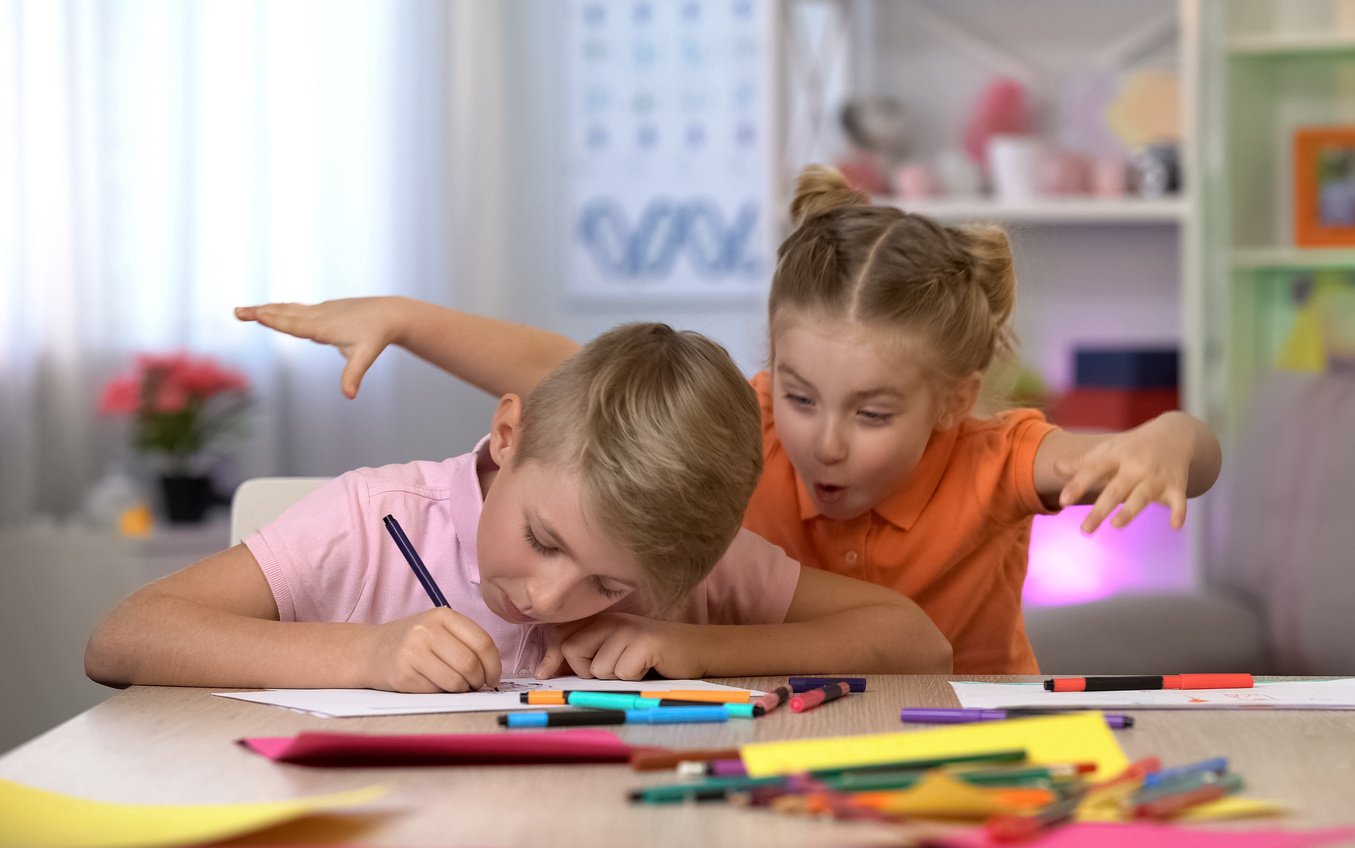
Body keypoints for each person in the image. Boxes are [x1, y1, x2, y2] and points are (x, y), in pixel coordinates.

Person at [233, 165, 1221, 674]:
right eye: (797, 396)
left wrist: (1171, 441)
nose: (822, 440)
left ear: (953, 402)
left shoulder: (996, 454)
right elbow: (569, 376)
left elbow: (1177, 450)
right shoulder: (742, 428)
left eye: (872, 412)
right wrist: (405, 321)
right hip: (776, 734)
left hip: (960, 726)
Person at [84, 322, 952, 692]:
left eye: (608, 586)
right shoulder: (374, 521)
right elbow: (122, 638)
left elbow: (917, 639)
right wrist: (366, 654)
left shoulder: (684, 553)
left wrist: (693, 642)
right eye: (542, 538)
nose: (549, 598)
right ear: (509, 434)